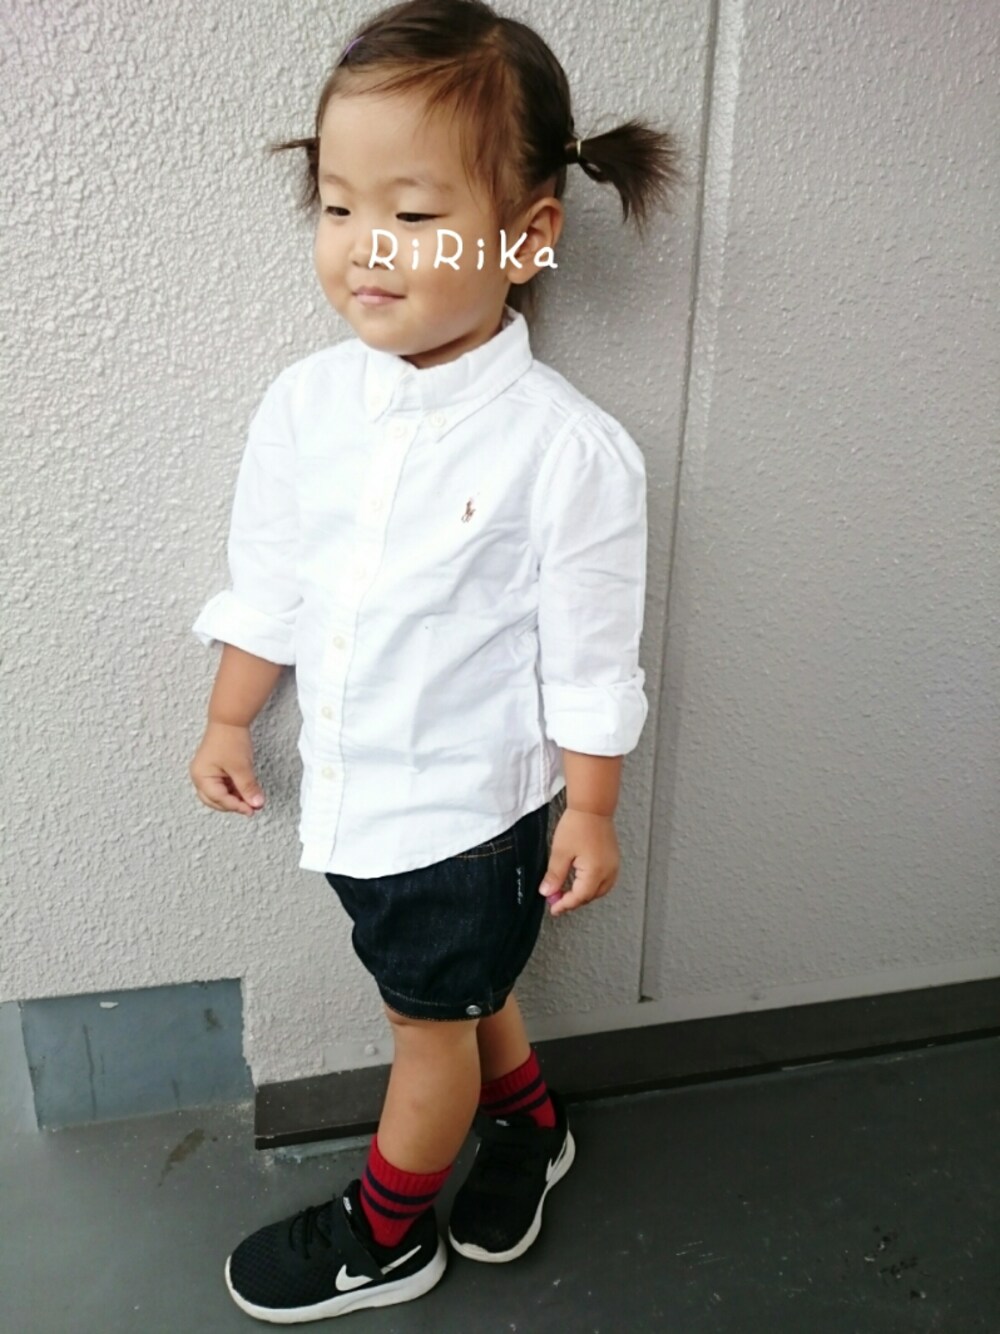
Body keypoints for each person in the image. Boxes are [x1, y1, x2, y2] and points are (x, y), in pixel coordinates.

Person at [188, 0, 683, 1321]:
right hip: (360, 798)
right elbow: (272, 581)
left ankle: (386, 1234)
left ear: (526, 236)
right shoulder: (307, 404)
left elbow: (590, 654)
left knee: (426, 1028)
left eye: (411, 213)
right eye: (338, 207)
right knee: (459, 993)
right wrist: (230, 718)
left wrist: (592, 806)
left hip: (468, 812)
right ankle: (535, 1127)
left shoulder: (566, 452)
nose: (363, 246)